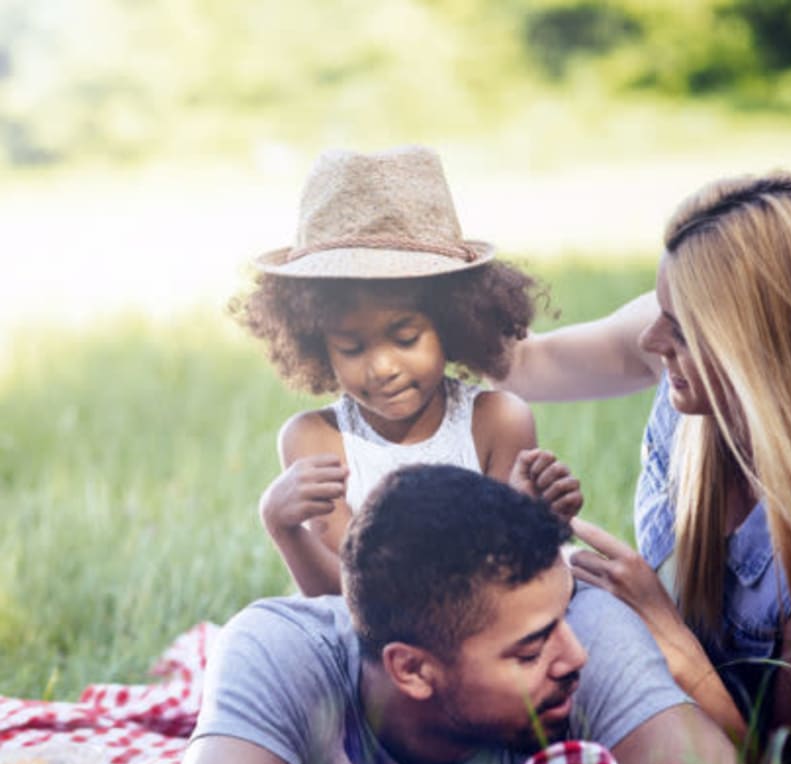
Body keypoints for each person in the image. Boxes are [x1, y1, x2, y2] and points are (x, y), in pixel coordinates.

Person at [497, 171, 791, 764]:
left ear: (763, 347)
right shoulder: (694, 390)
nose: (652, 338)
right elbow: (521, 365)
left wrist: (660, 626)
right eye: (661, 309)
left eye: (684, 328)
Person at [171, 465, 743, 764]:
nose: (575, 657)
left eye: (562, 617)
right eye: (529, 651)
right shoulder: (281, 649)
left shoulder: (582, 621)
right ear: (412, 671)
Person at [231, 145, 581, 596]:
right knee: (258, 631)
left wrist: (539, 522)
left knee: (596, 605)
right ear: (317, 344)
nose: (381, 368)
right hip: (368, 640)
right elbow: (342, 598)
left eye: (405, 338)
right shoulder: (315, 440)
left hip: (488, 627)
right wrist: (283, 528)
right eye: (351, 347)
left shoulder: (496, 421)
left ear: (455, 322)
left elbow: (508, 585)